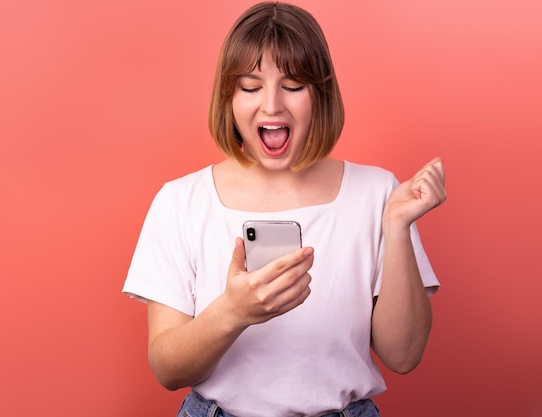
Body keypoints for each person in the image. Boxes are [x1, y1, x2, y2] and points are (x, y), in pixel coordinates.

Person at [123, 2, 446, 416]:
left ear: (320, 93)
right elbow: (167, 369)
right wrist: (233, 312)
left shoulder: (379, 193)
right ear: (229, 96)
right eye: (250, 86)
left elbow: (403, 356)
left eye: (293, 86)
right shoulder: (181, 201)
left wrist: (398, 226)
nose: (272, 105)